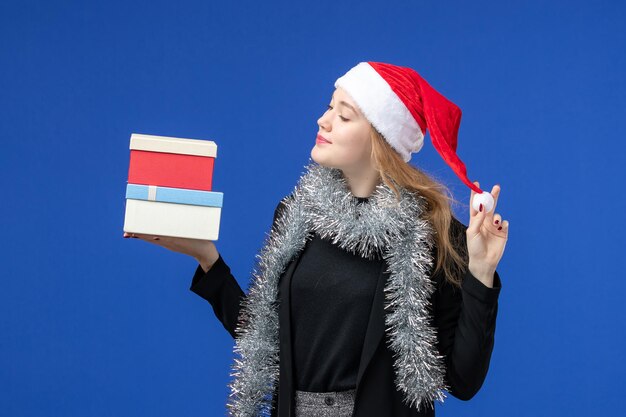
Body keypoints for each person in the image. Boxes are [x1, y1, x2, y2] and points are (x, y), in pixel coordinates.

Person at [124, 61, 508, 417]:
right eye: (329, 108)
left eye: (344, 115)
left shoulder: (435, 234)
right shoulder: (296, 215)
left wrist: (481, 271)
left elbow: (462, 381)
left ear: (381, 137)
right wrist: (208, 261)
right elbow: (266, 339)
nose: (323, 121)